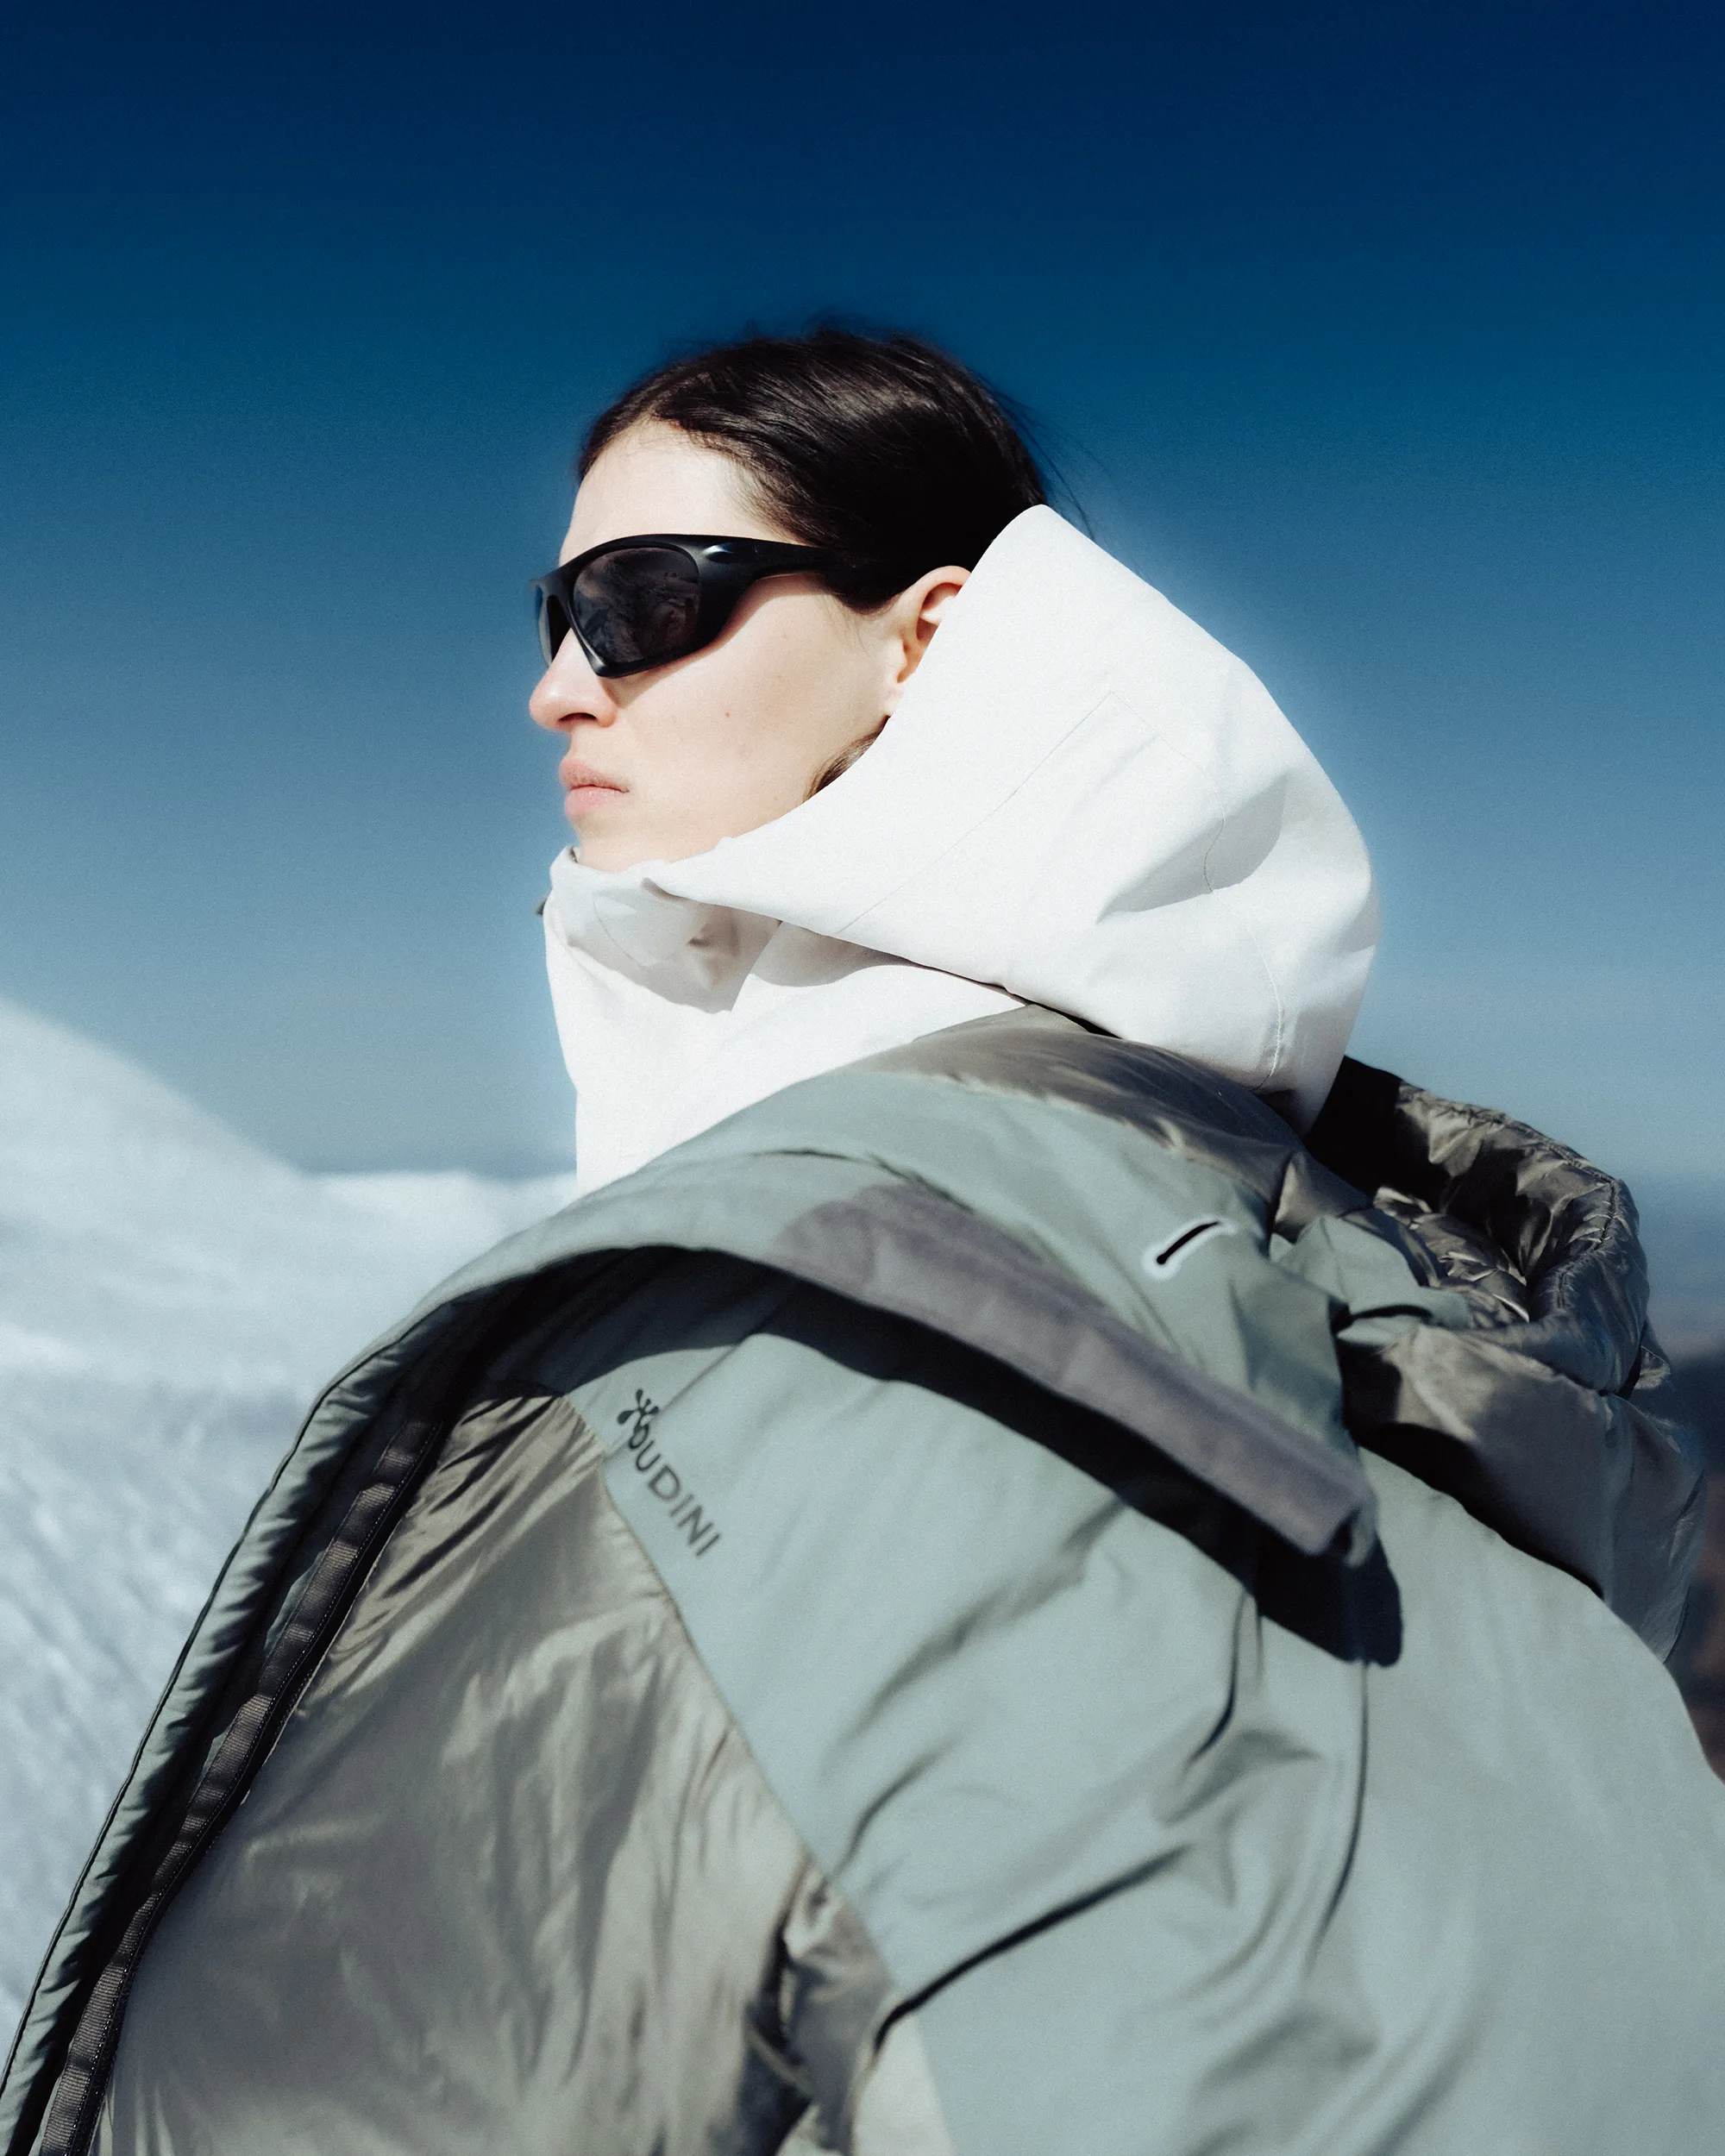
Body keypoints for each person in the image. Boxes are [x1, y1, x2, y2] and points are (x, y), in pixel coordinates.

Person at [7, 329, 1723, 2156]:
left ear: (925, 637)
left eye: (645, 600)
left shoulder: (982, 1302)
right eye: (551, 612)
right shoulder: (960, 1184)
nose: (557, 687)